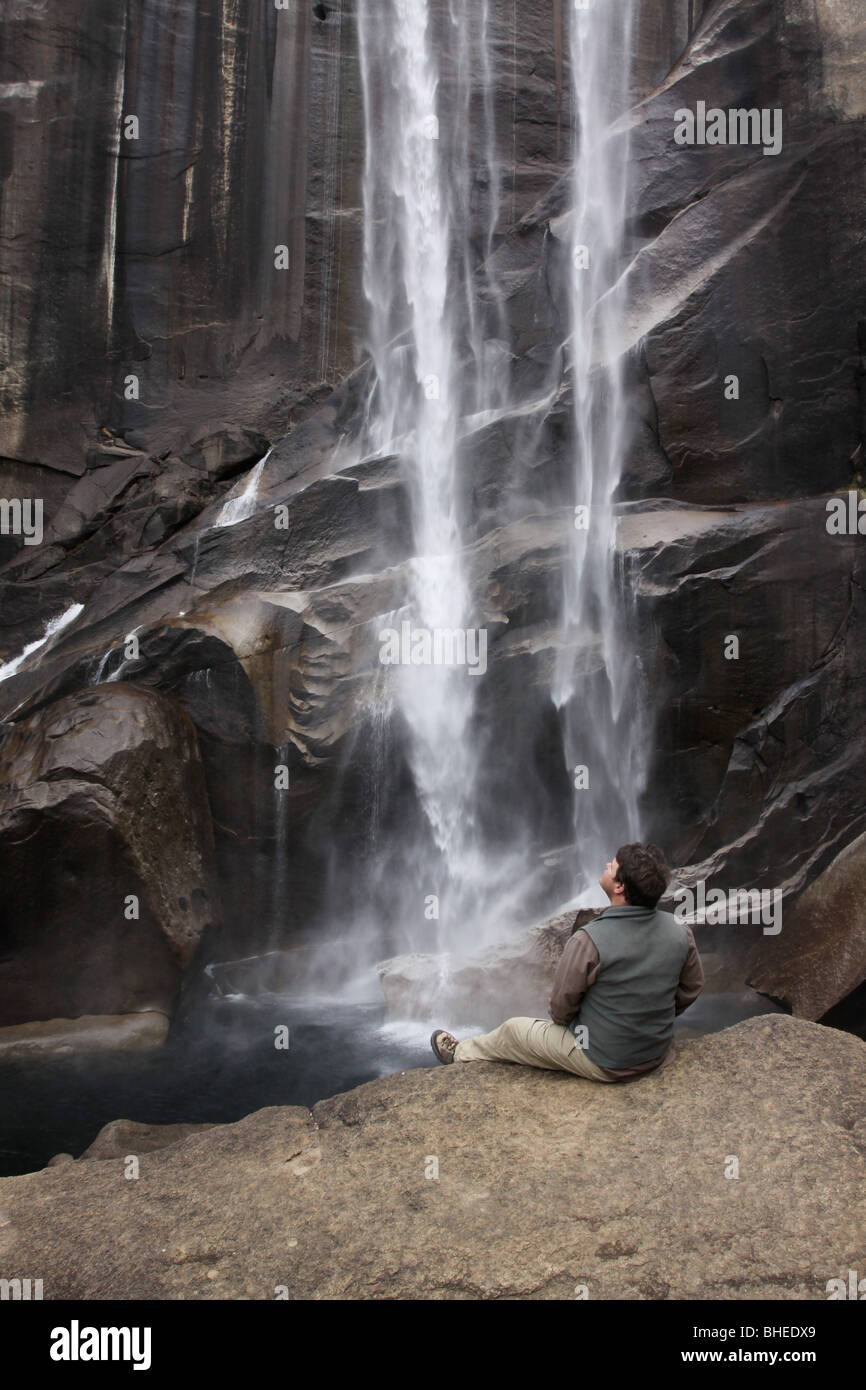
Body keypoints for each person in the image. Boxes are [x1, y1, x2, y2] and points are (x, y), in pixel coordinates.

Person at [430, 843, 703, 1082]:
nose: (607, 864)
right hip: (655, 1051)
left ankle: (460, 1054)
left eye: (613, 865)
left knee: (513, 1030)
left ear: (620, 886)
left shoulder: (590, 939)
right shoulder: (680, 931)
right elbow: (691, 988)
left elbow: (560, 1009)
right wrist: (649, 1017)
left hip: (606, 1061)